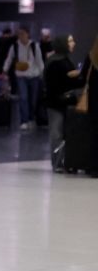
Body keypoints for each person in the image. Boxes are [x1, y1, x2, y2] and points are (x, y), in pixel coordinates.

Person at [43, 34, 83, 172]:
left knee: (61, 134)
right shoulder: (55, 62)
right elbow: (57, 85)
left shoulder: (63, 60)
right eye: (70, 41)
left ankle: (62, 162)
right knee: (56, 134)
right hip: (56, 104)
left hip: (61, 103)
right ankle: (57, 163)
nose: (73, 43)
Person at [5, 27, 44, 131]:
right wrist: (5, 70)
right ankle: (24, 120)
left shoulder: (35, 46)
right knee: (23, 97)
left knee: (33, 100)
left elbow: (39, 61)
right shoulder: (15, 46)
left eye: (23, 34)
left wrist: (42, 73)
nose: (21, 36)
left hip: (34, 76)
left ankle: (31, 118)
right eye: (19, 34)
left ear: (28, 34)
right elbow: (9, 59)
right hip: (21, 76)